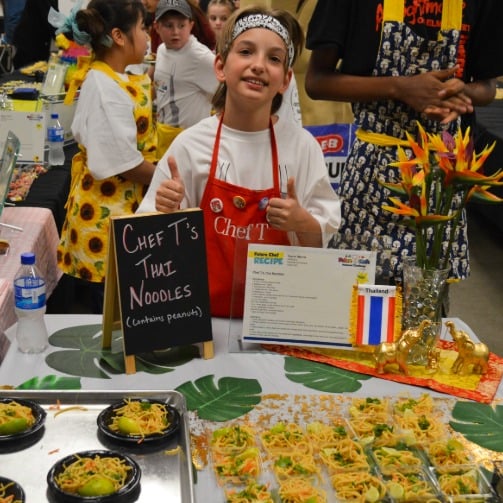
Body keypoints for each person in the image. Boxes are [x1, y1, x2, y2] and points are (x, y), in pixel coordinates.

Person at [138, 6, 340, 317]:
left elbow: (319, 242)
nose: (259, 65)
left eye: (273, 59)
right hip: (199, 322)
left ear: (285, 80)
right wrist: (165, 213)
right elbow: (146, 248)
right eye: (246, 51)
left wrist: (302, 222)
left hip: (278, 323)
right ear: (219, 65)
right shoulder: (191, 146)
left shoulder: (302, 148)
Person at [305, 0, 503, 284]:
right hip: (371, 177)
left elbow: (487, 87)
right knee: (358, 303)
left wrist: (462, 91)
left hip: (439, 178)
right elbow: (317, 80)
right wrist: (399, 87)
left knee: (426, 307)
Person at [56, 0, 157, 313]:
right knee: (111, 317)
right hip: (106, 220)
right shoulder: (103, 86)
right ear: (119, 36)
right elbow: (122, 162)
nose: (148, 36)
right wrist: (167, 177)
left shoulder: (114, 77)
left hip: (124, 211)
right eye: (143, 28)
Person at [153, 0, 218, 129]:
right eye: (168, 25)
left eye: (181, 25)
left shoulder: (200, 57)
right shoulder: (161, 50)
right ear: (157, 27)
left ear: (191, 25)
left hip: (191, 137)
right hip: (162, 133)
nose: (175, 32)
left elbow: (227, 91)